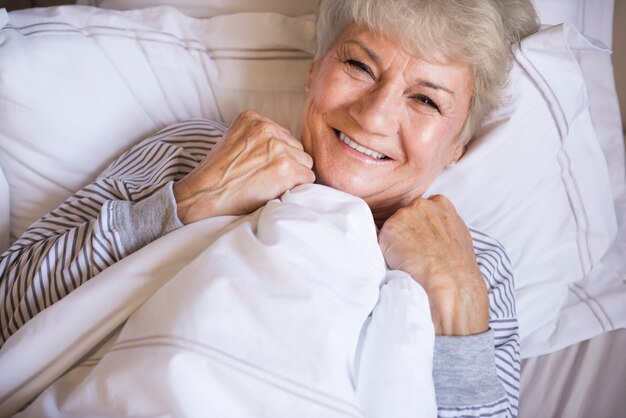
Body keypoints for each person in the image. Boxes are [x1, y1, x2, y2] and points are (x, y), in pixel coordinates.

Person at [0, 0, 539, 416]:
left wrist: (455, 302)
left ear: (456, 149)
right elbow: (9, 314)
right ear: (314, 69)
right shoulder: (197, 152)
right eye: (358, 65)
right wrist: (192, 201)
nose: (374, 115)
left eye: (425, 99)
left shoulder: (473, 268)